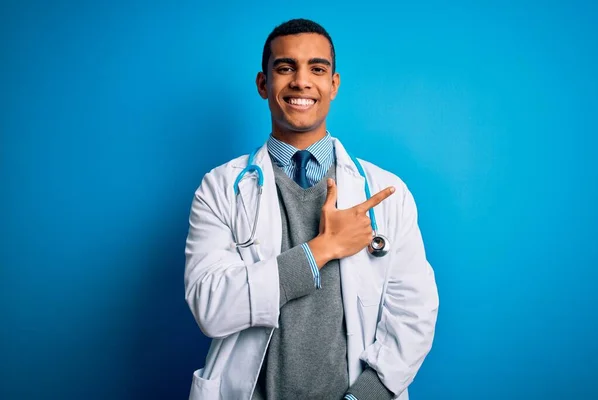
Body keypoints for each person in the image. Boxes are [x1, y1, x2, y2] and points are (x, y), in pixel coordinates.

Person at [184, 18, 439, 400]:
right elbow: (210, 306)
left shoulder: (387, 192)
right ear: (263, 84)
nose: (301, 81)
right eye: (285, 68)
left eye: (317, 69)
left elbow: (414, 316)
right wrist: (322, 249)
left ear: (333, 85)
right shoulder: (221, 188)